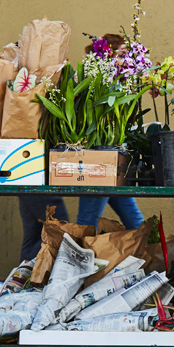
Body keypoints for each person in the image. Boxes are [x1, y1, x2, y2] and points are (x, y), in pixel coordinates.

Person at [75, 32, 144, 232]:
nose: (125, 61)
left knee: (129, 217)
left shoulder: (116, 83)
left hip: (113, 158)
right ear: (107, 56)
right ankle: (153, 248)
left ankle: (153, 249)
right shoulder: (99, 83)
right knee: (90, 220)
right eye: (121, 55)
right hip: (100, 158)